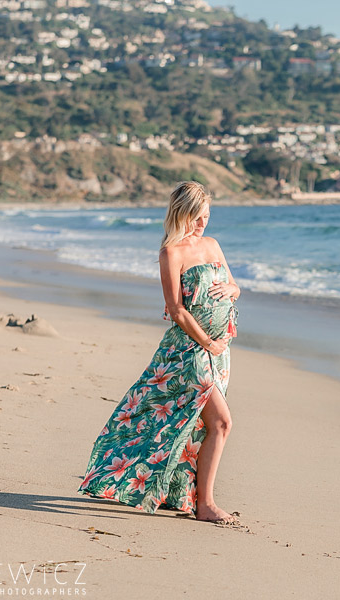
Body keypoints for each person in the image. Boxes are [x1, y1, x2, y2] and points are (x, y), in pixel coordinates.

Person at [77, 181, 241, 524]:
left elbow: (235, 286)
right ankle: (206, 505)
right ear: (182, 213)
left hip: (219, 353)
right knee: (221, 422)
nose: (202, 224)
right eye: (197, 217)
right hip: (189, 352)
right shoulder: (172, 253)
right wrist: (207, 343)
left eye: (207, 216)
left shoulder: (212, 244)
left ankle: (187, 496)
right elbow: (176, 310)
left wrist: (232, 288)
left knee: (199, 426)